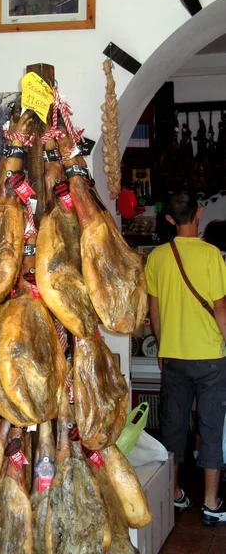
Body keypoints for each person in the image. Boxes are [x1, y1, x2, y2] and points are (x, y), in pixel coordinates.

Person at [145, 191, 226, 525]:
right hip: (210, 357)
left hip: (174, 357)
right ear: (200, 212)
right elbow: (221, 308)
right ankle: (211, 502)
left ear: (168, 219)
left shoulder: (157, 258)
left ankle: (174, 494)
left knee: (173, 427)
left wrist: (164, 348)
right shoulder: (212, 256)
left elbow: (154, 312)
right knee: (210, 427)